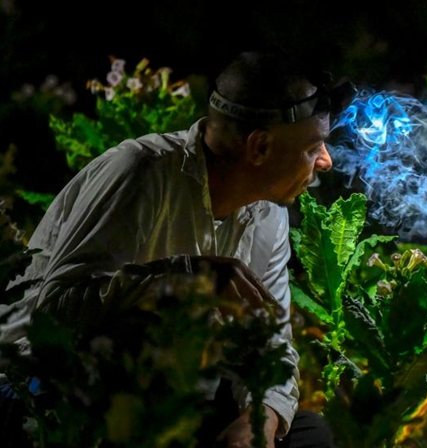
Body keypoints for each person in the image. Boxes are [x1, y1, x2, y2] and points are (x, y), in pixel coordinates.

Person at [0, 48, 352, 447]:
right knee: (148, 331)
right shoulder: (139, 173)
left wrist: (260, 420)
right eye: (312, 148)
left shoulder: (267, 213)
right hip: (46, 394)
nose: (325, 162)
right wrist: (185, 278)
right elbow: (55, 315)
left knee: (310, 434)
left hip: (174, 402)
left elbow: (270, 342)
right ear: (259, 148)